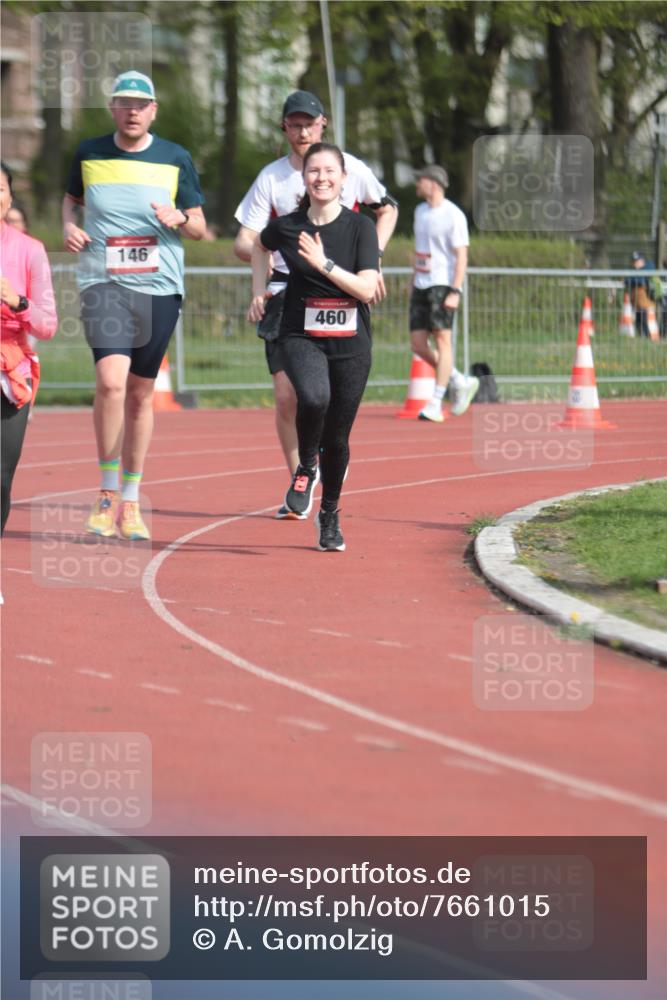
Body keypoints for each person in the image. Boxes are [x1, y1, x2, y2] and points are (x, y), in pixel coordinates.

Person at [235, 90, 397, 518]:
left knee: (332, 405)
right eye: (294, 123)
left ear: (323, 123)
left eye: (310, 122)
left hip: (342, 291)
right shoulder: (271, 178)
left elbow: (387, 211)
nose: (302, 130)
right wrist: (263, 275)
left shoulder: (349, 168)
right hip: (288, 294)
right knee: (291, 395)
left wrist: (372, 263)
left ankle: (326, 459)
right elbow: (248, 240)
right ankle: (302, 479)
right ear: (285, 128)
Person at [62, 71, 206, 540]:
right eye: (124, 103)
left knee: (142, 393)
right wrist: (69, 225)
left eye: (140, 104)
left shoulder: (174, 157)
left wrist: (180, 216)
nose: (132, 111)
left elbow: (201, 227)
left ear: (153, 110)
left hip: (159, 285)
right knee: (110, 382)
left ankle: (130, 499)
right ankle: (106, 492)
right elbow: (70, 201)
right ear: (113, 108)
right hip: (103, 281)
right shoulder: (88, 152)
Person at [247, 143, 379, 552]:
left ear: (343, 178)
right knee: (313, 396)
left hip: (351, 341)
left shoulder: (360, 228)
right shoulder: (287, 226)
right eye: (313, 171)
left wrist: (324, 263)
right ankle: (306, 465)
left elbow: (367, 289)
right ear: (304, 178)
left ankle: (330, 517)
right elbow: (258, 245)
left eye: (329, 171)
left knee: (338, 438)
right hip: (300, 333)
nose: (321, 177)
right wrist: (258, 290)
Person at [1, 162, 57, 537]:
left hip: (10, 368)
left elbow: (47, 325)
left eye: (0, 188)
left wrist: (17, 301)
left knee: (1, 477)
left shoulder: (29, 250)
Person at [409, 165, 478, 423]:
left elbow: (461, 255)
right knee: (417, 344)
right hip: (421, 283)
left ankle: (436, 401)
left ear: (435, 184)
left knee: (442, 340)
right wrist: (412, 279)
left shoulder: (453, 215)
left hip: (443, 283)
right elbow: (420, 250)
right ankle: (459, 380)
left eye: (421, 180)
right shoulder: (419, 211)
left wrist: (455, 290)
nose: (417, 184)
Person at [625, 250, 656, 339]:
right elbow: (629, 280)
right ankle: (643, 338)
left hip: (646, 302)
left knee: (643, 320)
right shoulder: (635, 271)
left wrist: (632, 280)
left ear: (642, 260)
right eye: (634, 261)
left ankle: (648, 337)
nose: (635, 263)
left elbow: (640, 280)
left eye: (637, 261)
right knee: (638, 321)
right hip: (638, 302)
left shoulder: (649, 268)